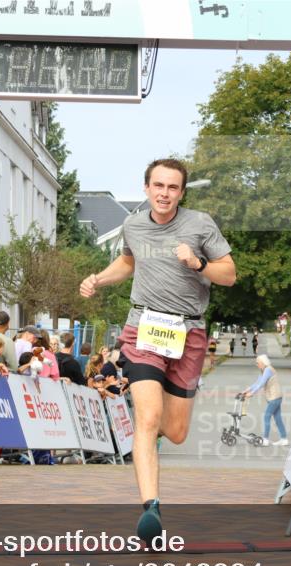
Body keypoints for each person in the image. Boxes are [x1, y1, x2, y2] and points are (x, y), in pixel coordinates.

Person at [79, 157, 235, 544]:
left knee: (175, 431)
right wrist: (98, 279)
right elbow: (127, 262)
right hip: (143, 328)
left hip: (189, 332)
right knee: (147, 419)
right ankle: (151, 508)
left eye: (172, 187)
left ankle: (154, 439)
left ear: (181, 193)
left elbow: (229, 274)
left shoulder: (200, 224)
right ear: (147, 188)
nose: (164, 193)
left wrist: (197, 263)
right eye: (158, 186)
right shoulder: (133, 225)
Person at [243, 353, 288, 446]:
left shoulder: (268, 370)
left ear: (263, 362)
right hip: (276, 397)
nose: (257, 364)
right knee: (278, 418)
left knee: (266, 417)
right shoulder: (263, 370)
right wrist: (247, 390)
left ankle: (265, 440)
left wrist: (252, 393)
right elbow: (257, 382)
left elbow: (261, 384)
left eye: (258, 363)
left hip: (274, 397)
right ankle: (284, 439)